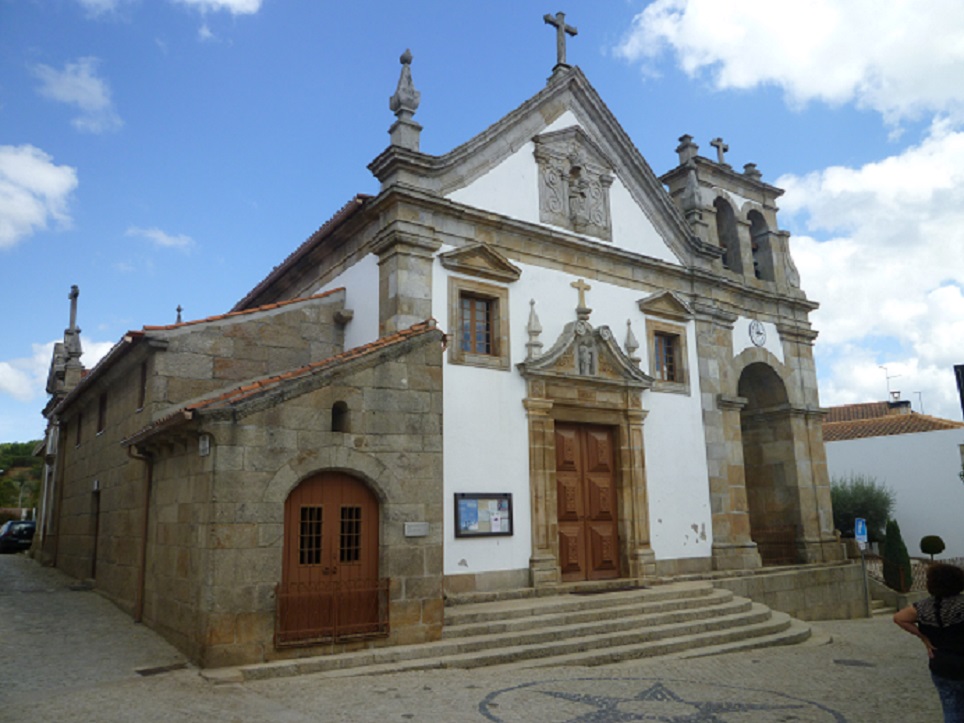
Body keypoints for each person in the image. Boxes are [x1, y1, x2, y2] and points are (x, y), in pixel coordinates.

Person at [894, 562, 964, 722]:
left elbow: (898, 618)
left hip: (940, 664)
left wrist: (923, 637)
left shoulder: (922, 607)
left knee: (951, 709)